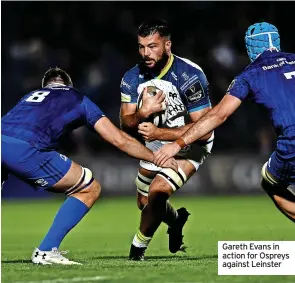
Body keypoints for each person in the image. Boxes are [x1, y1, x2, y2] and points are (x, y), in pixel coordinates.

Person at [1, 67, 178, 265]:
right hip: (26, 148)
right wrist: (154, 156)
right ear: (69, 85)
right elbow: (118, 139)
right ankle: (46, 250)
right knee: (88, 188)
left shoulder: (30, 96)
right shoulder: (77, 98)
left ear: (46, 87)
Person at [154, 22, 295, 223]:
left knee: (271, 182)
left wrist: (177, 144)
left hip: (292, 141)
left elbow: (218, 115)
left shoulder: (250, 75)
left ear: (250, 48)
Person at [120, 19, 214, 260]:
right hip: (154, 144)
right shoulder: (132, 78)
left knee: (158, 192)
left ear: (168, 45)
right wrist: (142, 114)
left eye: (152, 46)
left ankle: (136, 252)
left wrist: (160, 134)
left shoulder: (189, 76)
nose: (145, 53)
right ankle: (176, 221)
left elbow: (203, 129)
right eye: (141, 47)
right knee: (145, 202)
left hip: (190, 146)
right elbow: (126, 123)